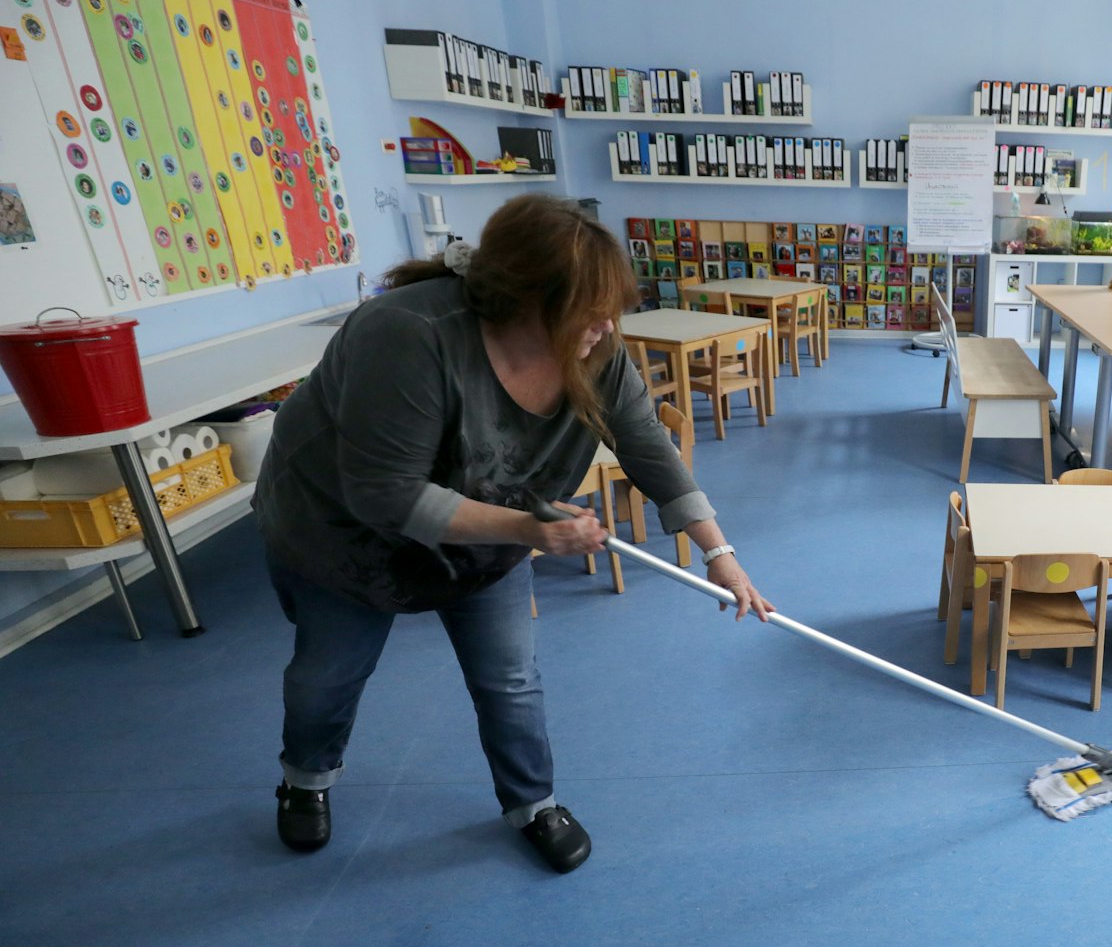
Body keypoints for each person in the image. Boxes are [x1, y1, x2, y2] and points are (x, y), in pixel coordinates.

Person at [254, 194, 771, 874]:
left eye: (608, 310)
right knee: (329, 674)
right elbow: (385, 493)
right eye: (588, 311)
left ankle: (532, 802)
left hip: (486, 532)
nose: (605, 327)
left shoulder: (595, 347)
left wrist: (719, 552)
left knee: (509, 678)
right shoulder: (408, 333)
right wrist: (528, 527)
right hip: (344, 533)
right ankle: (306, 778)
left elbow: (646, 442)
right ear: (525, 300)